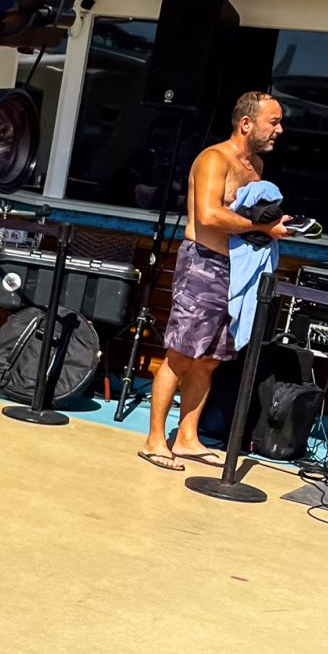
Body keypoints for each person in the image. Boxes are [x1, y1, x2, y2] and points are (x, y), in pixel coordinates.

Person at [139, 92, 289, 471]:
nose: (279, 130)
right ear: (246, 124)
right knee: (181, 354)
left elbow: (250, 219)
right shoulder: (213, 159)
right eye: (273, 122)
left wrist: (273, 227)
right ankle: (156, 438)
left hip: (236, 270)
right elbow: (208, 215)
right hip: (202, 265)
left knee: (209, 360)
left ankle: (187, 437)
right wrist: (263, 227)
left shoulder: (255, 166)